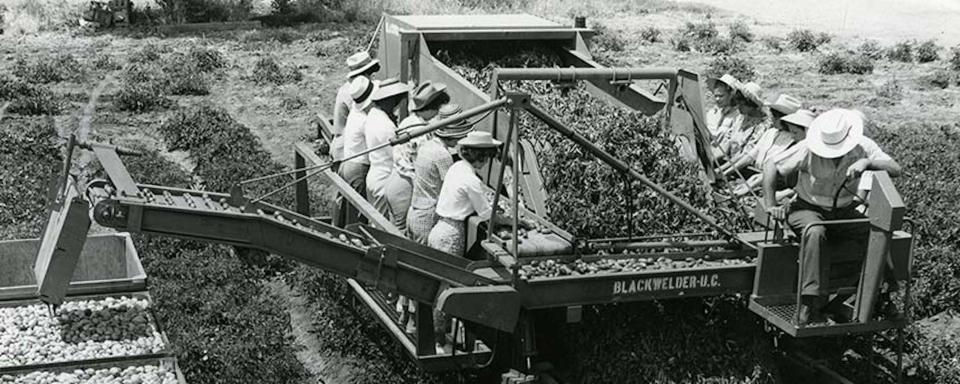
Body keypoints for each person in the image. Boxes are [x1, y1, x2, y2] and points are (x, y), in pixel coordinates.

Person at [763, 109, 902, 324]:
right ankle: (809, 303)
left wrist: (867, 163)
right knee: (815, 232)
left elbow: (895, 168)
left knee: (876, 232)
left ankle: (883, 294)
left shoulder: (863, 147)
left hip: (844, 210)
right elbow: (771, 165)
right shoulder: (808, 149)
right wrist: (771, 205)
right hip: (807, 208)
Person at [384, 81, 450, 233]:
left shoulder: (408, 121)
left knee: (393, 227)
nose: (438, 114)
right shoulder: (421, 131)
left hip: (394, 179)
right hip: (405, 185)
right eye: (438, 109)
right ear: (431, 108)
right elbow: (423, 163)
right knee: (400, 234)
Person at [406, 103, 475, 244]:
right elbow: (452, 189)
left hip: (415, 210)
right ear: (453, 136)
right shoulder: (443, 155)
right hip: (428, 215)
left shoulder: (427, 146)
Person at [724, 109, 815, 198]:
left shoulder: (802, 150)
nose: (793, 136)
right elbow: (768, 168)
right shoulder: (772, 133)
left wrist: (778, 195)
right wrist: (748, 185)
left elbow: (803, 186)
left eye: (795, 132)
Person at [365, 77, 411, 218]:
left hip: (375, 173)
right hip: (383, 178)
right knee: (382, 225)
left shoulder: (373, 114)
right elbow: (396, 154)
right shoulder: (385, 126)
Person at [332, 51, 381, 159]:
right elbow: (368, 118)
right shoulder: (354, 92)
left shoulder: (348, 87)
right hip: (346, 149)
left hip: (350, 143)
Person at [338, 76, 377, 197]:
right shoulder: (366, 119)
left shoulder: (355, 112)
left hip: (346, 162)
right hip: (359, 168)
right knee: (359, 208)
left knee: (347, 204)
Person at [715, 82, 767, 160]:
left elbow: (747, 154)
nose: (738, 107)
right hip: (730, 164)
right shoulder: (740, 119)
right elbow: (727, 143)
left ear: (751, 105)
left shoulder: (762, 126)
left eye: (741, 104)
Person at [705, 74, 743, 148]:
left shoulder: (737, 116)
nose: (717, 99)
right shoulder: (712, 113)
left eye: (721, 96)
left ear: (730, 95)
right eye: (716, 96)